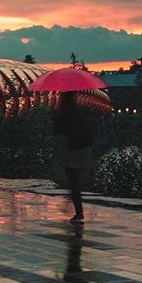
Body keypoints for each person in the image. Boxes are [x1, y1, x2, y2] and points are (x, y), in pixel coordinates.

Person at [52, 91, 95, 223]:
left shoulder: (62, 113)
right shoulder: (80, 111)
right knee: (74, 180)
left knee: (73, 180)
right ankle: (74, 206)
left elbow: (57, 131)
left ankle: (78, 211)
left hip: (69, 149)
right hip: (82, 149)